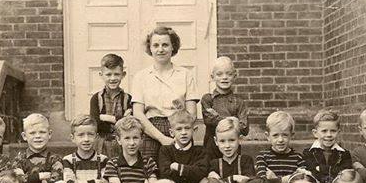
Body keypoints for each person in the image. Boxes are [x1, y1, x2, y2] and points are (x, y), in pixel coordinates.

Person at [131, 25, 199, 162]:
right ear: (150, 48)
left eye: (165, 45)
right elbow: (138, 113)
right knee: (150, 171)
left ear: (173, 46)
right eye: (155, 45)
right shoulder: (141, 76)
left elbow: (192, 113)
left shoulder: (185, 74)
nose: (160, 49)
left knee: (179, 171)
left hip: (179, 128)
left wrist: (178, 133)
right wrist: (161, 138)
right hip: (150, 130)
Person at [157, 108, 209, 183]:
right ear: (172, 132)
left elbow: (201, 173)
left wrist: (178, 167)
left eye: (187, 128)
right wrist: (191, 172)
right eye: (179, 129)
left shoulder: (200, 151)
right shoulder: (165, 150)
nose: (184, 132)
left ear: (194, 130)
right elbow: (165, 174)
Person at [103, 115, 158, 183]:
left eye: (135, 138)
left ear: (142, 139)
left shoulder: (148, 162)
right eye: (127, 138)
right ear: (119, 140)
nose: (132, 143)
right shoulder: (113, 164)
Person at [11, 113, 64, 183]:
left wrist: (29, 181)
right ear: (24, 136)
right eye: (32, 133)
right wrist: (40, 176)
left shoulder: (55, 159)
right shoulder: (20, 159)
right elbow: (17, 182)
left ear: (50, 134)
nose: (38, 136)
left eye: (42, 132)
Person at [200, 57, 249, 158]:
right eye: (219, 74)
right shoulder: (208, 99)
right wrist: (233, 120)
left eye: (229, 74)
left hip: (232, 146)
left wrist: (218, 116)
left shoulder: (239, 102)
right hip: (212, 146)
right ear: (212, 76)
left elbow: (244, 128)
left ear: (235, 76)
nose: (224, 77)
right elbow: (210, 120)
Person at [302, 109, 353, 183]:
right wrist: (332, 170)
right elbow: (311, 173)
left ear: (338, 132)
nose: (329, 135)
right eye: (324, 131)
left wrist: (320, 168)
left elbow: (343, 173)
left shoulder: (344, 154)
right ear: (315, 133)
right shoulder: (308, 153)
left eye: (333, 131)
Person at [207, 117, 254, 183]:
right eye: (222, 141)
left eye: (231, 140)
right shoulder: (214, 164)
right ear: (216, 141)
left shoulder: (246, 160)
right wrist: (233, 178)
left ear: (239, 139)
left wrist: (222, 181)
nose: (227, 145)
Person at [89, 53, 132, 159]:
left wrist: (107, 117)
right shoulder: (96, 98)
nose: (112, 78)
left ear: (123, 74)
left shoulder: (128, 99)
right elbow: (96, 124)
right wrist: (120, 119)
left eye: (116, 74)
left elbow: (130, 124)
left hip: (122, 144)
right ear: (101, 75)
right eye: (108, 74)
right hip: (101, 144)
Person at [62, 115, 108, 183]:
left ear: (96, 137)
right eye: (81, 135)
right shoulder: (68, 160)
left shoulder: (103, 160)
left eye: (90, 134)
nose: (86, 139)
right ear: (72, 138)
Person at [255, 111, 306, 183]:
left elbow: (302, 181)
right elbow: (263, 182)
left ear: (291, 135)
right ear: (268, 136)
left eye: (285, 135)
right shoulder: (263, 157)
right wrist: (288, 179)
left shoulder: (299, 158)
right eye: (275, 135)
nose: (280, 140)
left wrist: (276, 179)